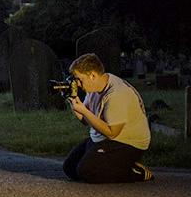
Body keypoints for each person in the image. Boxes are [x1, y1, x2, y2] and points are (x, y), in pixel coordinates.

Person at [62, 53, 153, 183]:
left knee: (87, 172)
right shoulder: (93, 88)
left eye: (79, 79)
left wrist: (84, 111)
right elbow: (85, 120)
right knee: (70, 168)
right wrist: (73, 101)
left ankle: (134, 171)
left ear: (92, 75)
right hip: (102, 137)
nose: (77, 83)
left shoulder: (116, 94)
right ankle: (115, 164)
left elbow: (112, 133)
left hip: (127, 142)